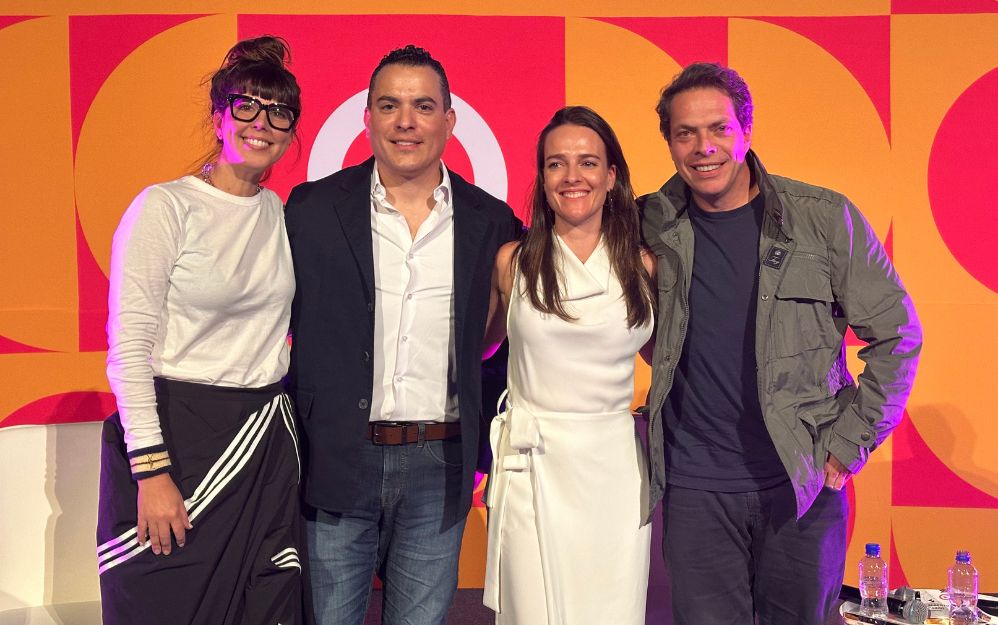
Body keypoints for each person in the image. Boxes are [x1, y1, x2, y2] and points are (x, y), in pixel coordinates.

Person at [640, 62, 922, 624]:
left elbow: (898, 335)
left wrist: (849, 442)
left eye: (719, 128)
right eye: (685, 133)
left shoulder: (823, 218)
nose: (703, 148)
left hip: (802, 485)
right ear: (669, 142)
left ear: (747, 130)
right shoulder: (646, 222)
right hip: (695, 490)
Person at [284, 45, 521, 625]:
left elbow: (500, 341)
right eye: (390, 106)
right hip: (337, 459)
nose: (406, 121)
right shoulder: (311, 209)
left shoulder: (492, 220)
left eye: (423, 106)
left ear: (449, 120)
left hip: (440, 465)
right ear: (367, 118)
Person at [97, 36, 305, 625]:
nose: (261, 123)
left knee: (265, 606)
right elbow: (128, 349)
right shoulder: (165, 208)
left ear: (291, 131)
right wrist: (151, 470)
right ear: (218, 117)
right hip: (177, 441)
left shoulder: (282, 215)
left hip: (262, 444)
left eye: (279, 112)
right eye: (246, 106)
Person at [482, 106, 656, 625]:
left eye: (588, 162)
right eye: (556, 163)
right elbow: (481, 349)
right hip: (531, 464)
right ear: (542, 178)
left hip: (614, 472)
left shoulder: (643, 267)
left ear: (612, 176)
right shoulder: (512, 262)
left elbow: (668, 361)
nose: (572, 176)